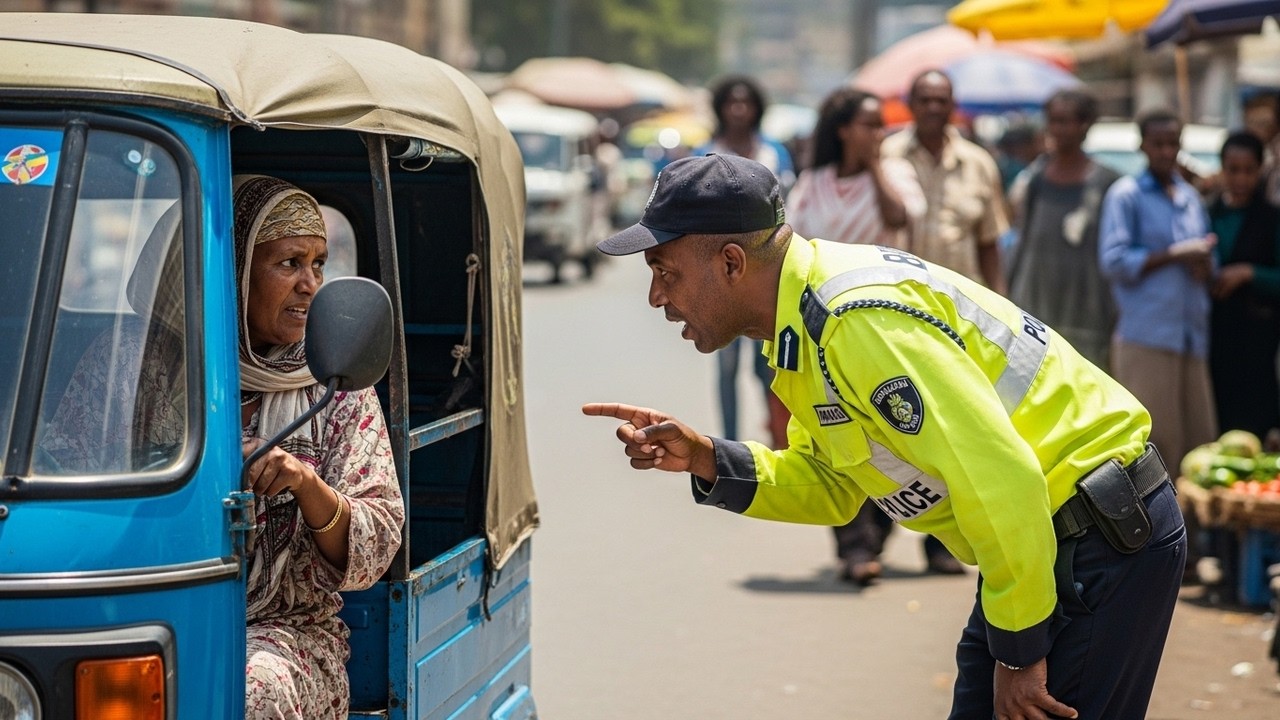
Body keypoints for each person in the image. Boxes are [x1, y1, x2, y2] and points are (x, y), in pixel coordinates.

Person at [582, 153, 1185, 720]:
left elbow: (1001, 478)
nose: (658, 297)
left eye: (665, 271)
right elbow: (838, 488)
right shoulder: (801, 332)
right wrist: (709, 459)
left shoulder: (852, 319)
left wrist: (1021, 653)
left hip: (1093, 540)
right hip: (1039, 546)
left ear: (732, 262)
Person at [233, 175, 405, 719]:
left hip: (287, 633)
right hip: (150, 605)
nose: (311, 284)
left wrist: (306, 485)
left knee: (247, 691)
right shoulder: (141, 368)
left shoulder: (334, 382)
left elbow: (376, 543)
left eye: (319, 263)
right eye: (289, 263)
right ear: (233, 269)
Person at [787, 86, 928, 584]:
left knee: (892, 431)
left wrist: (875, 166)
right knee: (842, 432)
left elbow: (900, 218)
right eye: (869, 125)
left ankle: (879, 533)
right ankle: (853, 545)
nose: (879, 133)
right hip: (825, 325)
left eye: (882, 127)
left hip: (885, 323)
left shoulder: (895, 176)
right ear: (844, 130)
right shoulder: (814, 182)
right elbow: (794, 246)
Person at [1099, 108, 1218, 484]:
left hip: (1190, 336)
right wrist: (1175, 254)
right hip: (1147, 336)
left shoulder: (1188, 198)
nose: (1167, 152)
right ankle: (1161, 537)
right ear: (1143, 146)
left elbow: (1206, 256)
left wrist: (1203, 263)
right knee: (1156, 445)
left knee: (1199, 444)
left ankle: (1195, 536)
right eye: (1159, 144)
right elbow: (1113, 261)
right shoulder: (1126, 195)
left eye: (1173, 144)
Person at [696, 75, 795, 448]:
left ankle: (776, 436)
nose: (739, 110)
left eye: (746, 103)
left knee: (766, 361)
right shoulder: (706, 152)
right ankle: (730, 445)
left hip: (765, 269)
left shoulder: (774, 154)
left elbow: (790, 205)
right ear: (721, 107)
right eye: (732, 102)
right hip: (718, 272)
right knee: (725, 365)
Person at [1005, 89, 1121, 371]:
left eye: (1065, 121)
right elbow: (1023, 242)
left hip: (1087, 313)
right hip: (1036, 307)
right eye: (1052, 121)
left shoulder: (1107, 183)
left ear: (1085, 125)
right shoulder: (1037, 179)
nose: (1057, 129)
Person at [882, 69, 1009, 295]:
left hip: (960, 300)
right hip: (898, 294)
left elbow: (988, 242)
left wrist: (1002, 299)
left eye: (941, 101)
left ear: (953, 105)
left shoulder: (978, 163)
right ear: (910, 104)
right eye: (925, 100)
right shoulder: (887, 155)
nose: (933, 108)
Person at [1208, 131, 1280, 439]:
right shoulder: (1205, 211)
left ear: (1260, 170)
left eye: (1248, 170)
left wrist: (1249, 273)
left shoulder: (1272, 218)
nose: (1240, 178)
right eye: (1232, 170)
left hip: (1257, 341)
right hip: (1212, 336)